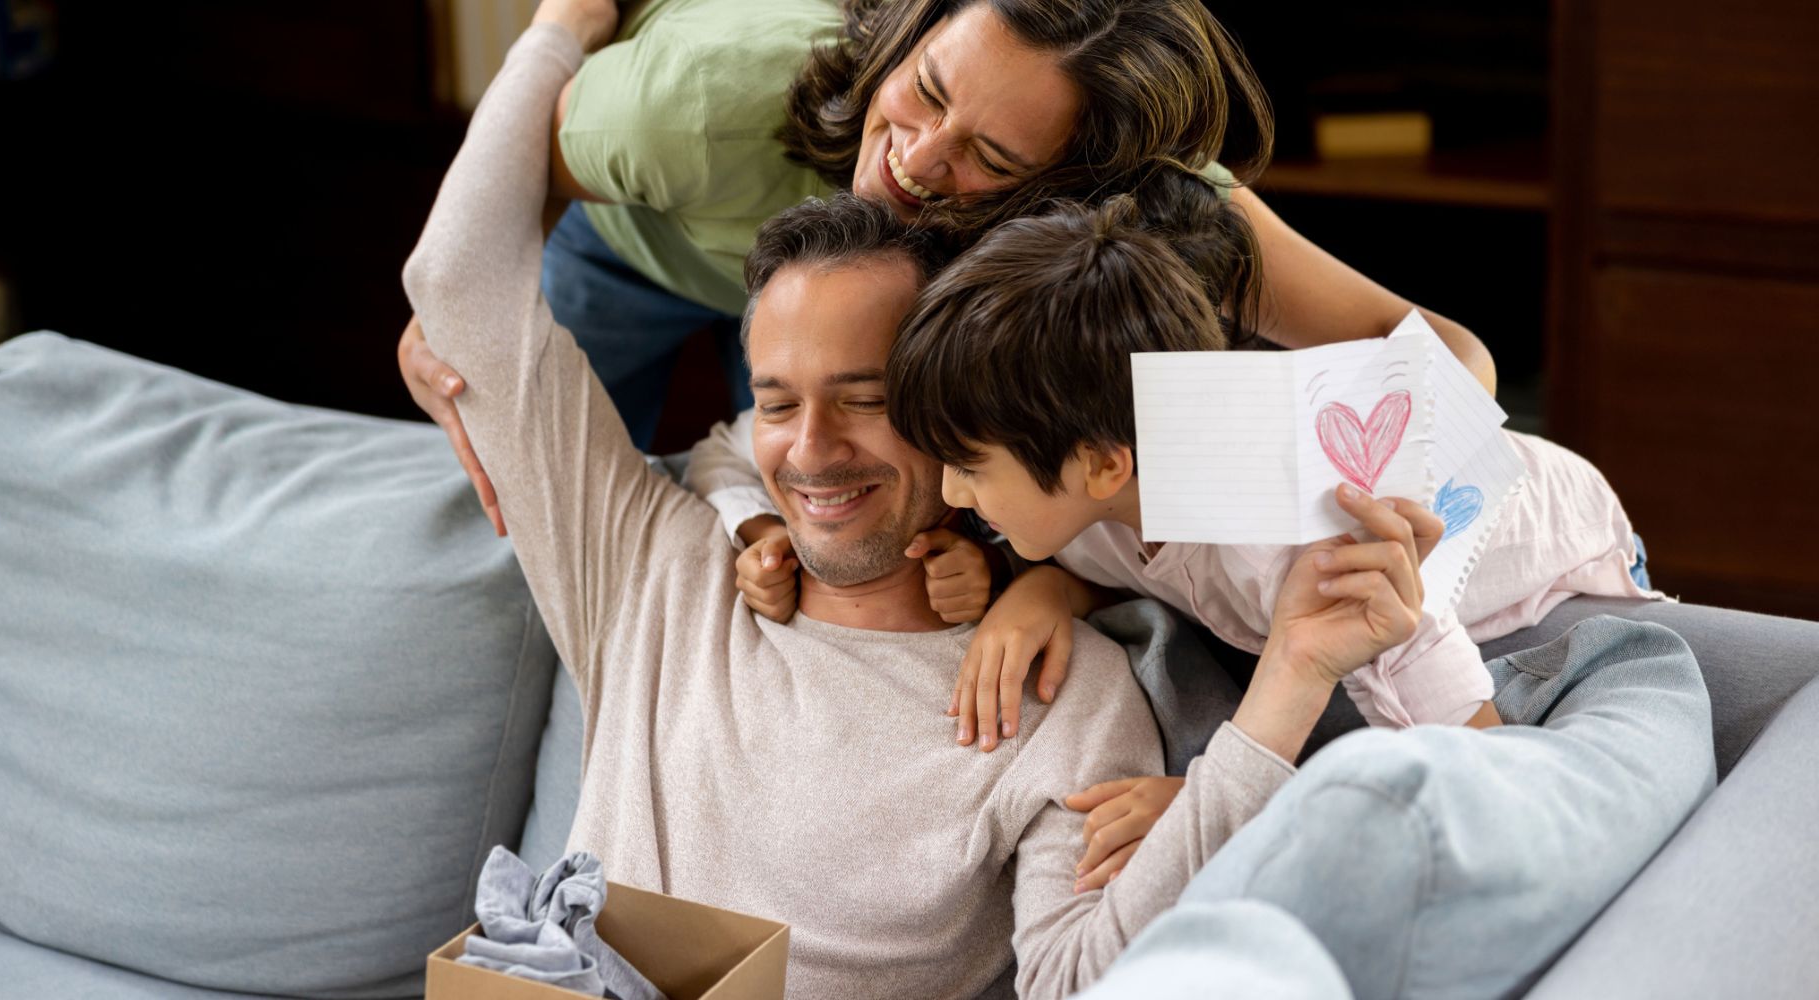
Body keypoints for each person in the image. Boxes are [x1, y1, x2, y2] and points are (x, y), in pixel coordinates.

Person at [400, 20, 1449, 997]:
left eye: (866, 401)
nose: (809, 453)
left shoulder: (1064, 691)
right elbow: (458, 281)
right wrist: (558, 31)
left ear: (964, 407)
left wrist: (1288, 686)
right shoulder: (650, 557)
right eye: (775, 402)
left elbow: (1075, 976)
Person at [398, 0, 1499, 534]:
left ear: (1073, 186)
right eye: (927, 89)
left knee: (829, 557)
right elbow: (516, 157)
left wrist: (1361, 486)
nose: (916, 159)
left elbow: (1446, 355)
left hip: (867, 328)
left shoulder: (1149, 200)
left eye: (992, 157)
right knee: (507, 520)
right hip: (643, 243)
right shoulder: (694, 105)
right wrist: (453, 300)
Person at [875, 194, 1661, 883]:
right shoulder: (1090, 505)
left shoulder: (1314, 555)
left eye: (969, 466)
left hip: (1567, 539)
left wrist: (1221, 805)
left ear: (1104, 465)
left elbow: (1477, 772)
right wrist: (1045, 589)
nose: (949, 494)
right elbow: (1131, 566)